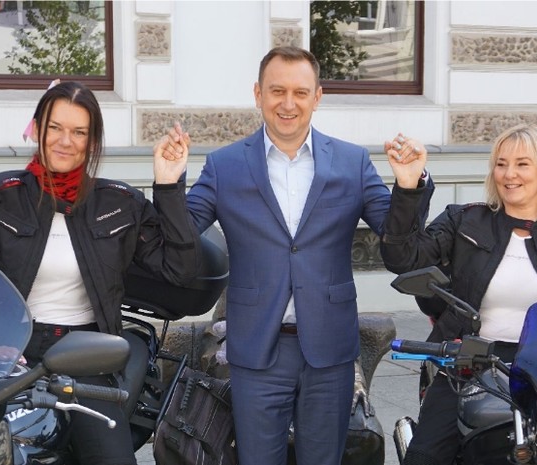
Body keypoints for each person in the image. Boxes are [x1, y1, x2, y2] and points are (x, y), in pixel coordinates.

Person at [160, 46, 430, 465]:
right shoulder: (225, 165)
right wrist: (168, 183)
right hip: (256, 348)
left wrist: (410, 186)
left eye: (300, 92)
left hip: (329, 347)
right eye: (277, 91)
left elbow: (398, 246)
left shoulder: (352, 162)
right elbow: (181, 236)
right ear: (258, 94)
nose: (288, 103)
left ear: (317, 97)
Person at [0, 80, 200, 465]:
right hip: (12, 350)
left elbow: (180, 270)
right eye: (55, 128)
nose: (66, 141)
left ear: (92, 141)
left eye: (79, 132)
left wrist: (168, 185)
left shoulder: (121, 202)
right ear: (37, 128)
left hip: (88, 354)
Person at [380, 123, 537, 465]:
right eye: (501, 163)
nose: (509, 174)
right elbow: (403, 257)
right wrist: (410, 186)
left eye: (522, 164)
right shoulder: (464, 221)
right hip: (467, 362)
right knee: (424, 457)